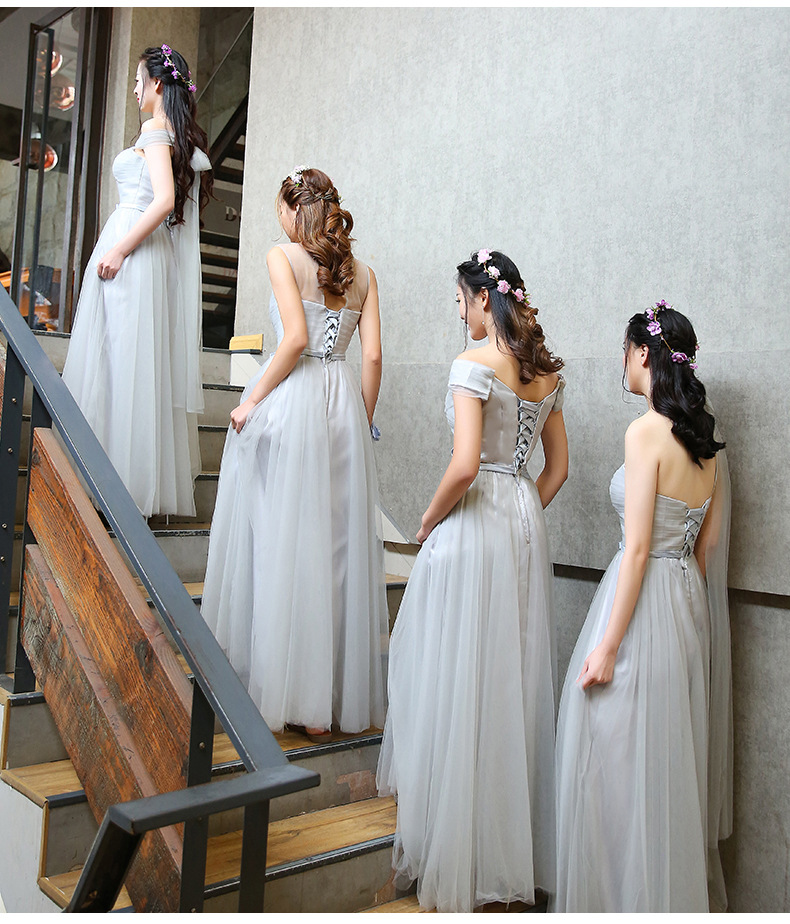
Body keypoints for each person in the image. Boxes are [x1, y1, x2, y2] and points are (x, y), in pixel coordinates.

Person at [377, 250, 568, 912]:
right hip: (522, 521)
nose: (459, 311)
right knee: (509, 678)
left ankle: (455, 840)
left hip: (475, 515)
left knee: (455, 669)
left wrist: (428, 522)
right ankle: (504, 849)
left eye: (461, 299)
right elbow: (557, 470)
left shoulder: (472, 364)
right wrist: (522, 513)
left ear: (484, 298)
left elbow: (463, 466)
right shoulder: (546, 373)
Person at [553, 302, 732, 912]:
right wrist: (684, 612)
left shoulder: (645, 432)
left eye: (626, 351)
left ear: (645, 354)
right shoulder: (707, 445)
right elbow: (706, 550)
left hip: (639, 602)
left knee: (614, 763)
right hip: (685, 607)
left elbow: (634, 552)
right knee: (664, 768)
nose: (623, 362)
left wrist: (607, 647)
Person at [201, 166, 387, 741]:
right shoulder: (363, 274)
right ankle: (324, 705)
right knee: (335, 552)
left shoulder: (282, 257)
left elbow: (296, 341)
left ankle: (280, 684)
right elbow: (372, 359)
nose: (277, 218)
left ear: (293, 209)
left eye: (279, 208)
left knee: (281, 541)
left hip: (295, 396)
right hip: (344, 403)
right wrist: (361, 419)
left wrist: (250, 400)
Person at [63, 45, 211, 518]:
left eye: (137, 80)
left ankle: (110, 484)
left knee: (119, 362)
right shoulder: (172, 134)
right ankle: (122, 482)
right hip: (148, 252)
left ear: (157, 84)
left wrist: (120, 249)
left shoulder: (154, 130)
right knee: (129, 363)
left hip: (135, 249)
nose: (133, 89)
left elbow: (164, 200)